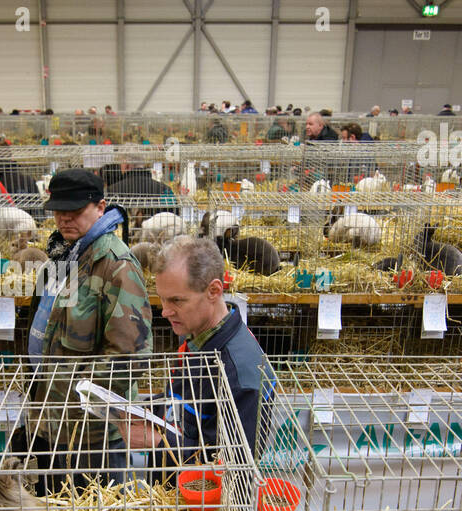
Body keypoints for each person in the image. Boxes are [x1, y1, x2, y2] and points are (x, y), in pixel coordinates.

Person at [15, 169, 153, 494]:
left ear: (100, 207)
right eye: (59, 211)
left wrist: (76, 397)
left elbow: (129, 359)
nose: (64, 219)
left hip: (92, 434)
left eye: (75, 211)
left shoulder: (116, 266)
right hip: (51, 420)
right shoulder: (62, 257)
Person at [120, 236, 274, 463]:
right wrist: (147, 409)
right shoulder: (197, 337)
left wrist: (159, 443)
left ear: (213, 290)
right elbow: (184, 403)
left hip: (201, 497)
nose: (165, 312)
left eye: (177, 301)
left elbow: (234, 466)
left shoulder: (242, 375)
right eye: (162, 300)